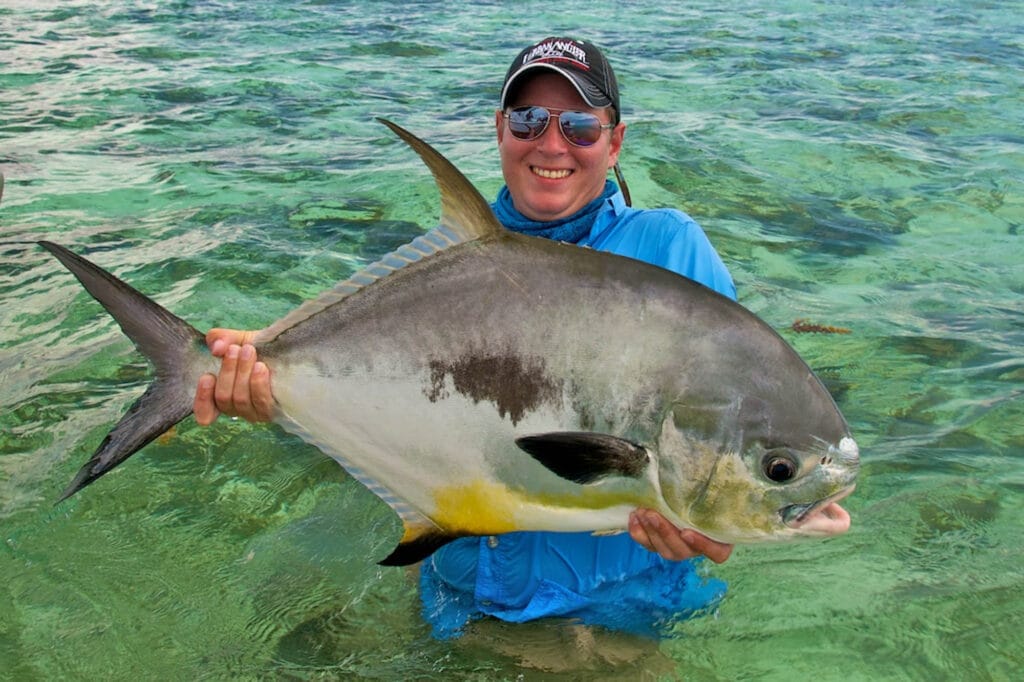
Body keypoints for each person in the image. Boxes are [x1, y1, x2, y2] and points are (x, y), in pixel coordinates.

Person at [194, 37, 746, 639]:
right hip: (451, 594)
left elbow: (727, 433)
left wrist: (717, 524)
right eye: (528, 120)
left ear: (615, 143)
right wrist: (269, 381)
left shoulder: (670, 251)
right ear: (500, 130)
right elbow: (394, 388)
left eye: (581, 126)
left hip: (612, 616)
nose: (552, 144)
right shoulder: (449, 263)